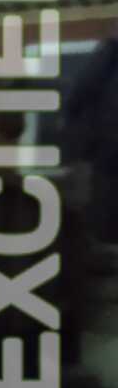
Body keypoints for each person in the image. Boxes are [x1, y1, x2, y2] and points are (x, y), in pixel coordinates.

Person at [66, 36, 118, 245]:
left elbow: (77, 96)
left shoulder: (109, 52)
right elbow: (78, 97)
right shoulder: (110, 53)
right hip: (105, 147)